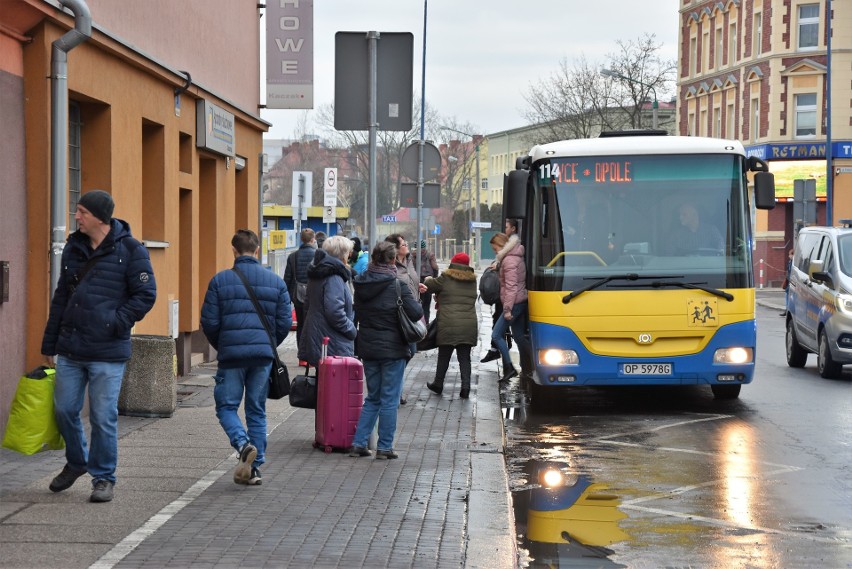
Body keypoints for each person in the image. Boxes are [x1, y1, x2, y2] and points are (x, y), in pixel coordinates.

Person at [41, 189, 156, 503]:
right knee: (64, 409)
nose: (76, 217)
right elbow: (61, 297)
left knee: (104, 417)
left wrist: (115, 322)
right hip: (71, 348)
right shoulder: (73, 249)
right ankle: (77, 462)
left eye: (81, 212)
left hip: (107, 351)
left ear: (99, 218)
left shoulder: (131, 250)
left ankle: (103, 477)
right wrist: (50, 342)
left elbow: (145, 295)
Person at [201, 229, 292, 486]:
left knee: (227, 406)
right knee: (256, 410)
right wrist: (269, 344)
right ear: (257, 250)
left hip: (231, 357)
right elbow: (285, 321)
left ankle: (242, 445)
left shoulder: (220, 281)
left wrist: (224, 344)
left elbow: (209, 321)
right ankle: (255, 466)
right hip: (262, 358)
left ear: (233, 250)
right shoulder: (275, 282)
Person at [349, 241, 423, 459]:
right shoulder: (397, 285)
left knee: (373, 397)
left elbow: (358, 315)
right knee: (389, 399)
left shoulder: (361, 284)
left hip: (368, 348)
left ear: (373, 258)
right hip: (393, 349)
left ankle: (359, 443)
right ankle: (384, 447)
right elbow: (417, 312)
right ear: (392, 260)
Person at [422, 252, 478, 399]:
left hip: (448, 323)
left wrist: (428, 278)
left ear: (453, 263)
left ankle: (438, 384)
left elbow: (430, 285)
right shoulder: (473, 281)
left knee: (444, 356)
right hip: (468, 324)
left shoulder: (446, 278)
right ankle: (465, 387)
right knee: (465, 358)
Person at [298, 236, 357, 366]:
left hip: (319, 336)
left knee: (324, 382)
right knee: (333, 383)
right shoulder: (334, 276)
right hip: (332, 341)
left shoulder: (319, 273)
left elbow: (307, 306)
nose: (349, 255)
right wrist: (351, 329)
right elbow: (335, 312)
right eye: (348, 252)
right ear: (343, 254)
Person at [491, 225, 533, 382]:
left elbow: (511, 287)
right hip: (521, 301)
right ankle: (531, 365)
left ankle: (509, 368)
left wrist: (507, 309)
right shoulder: (515, 256)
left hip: (514, 303)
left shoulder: (508, 261)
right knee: (519, 336)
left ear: (502, 246)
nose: (495, 252)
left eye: (495, 249)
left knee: (496, 334)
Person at [385, 233, 420, 405]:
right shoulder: (391, 266)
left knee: (410, 352)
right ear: (395, 248)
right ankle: (394, 391)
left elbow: (409, 281)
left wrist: (417, 286)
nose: (407, 245)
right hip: (399, 315)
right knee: (406, 352)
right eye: (403, 244)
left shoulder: (409, 261)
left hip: (411, 312)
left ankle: (395, 388)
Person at [285, 228, 317, 347]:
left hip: (297, 296)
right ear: (313, 239)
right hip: (314, 295)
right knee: (313, 324)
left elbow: (287, 278)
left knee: (301, 324)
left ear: (301, 239)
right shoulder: (317, 256)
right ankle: (311, 352)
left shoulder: (292, 257)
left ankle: (302, 355)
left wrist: (286, 300)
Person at [416, 239, 440, 323]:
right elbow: (435, 268)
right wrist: (435, 280)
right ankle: (425, 324)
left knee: (417, 305)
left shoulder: (412, 256)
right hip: (427, 282)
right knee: (426, 306)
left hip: (416, 283)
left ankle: (418, 324)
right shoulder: (430, 255)